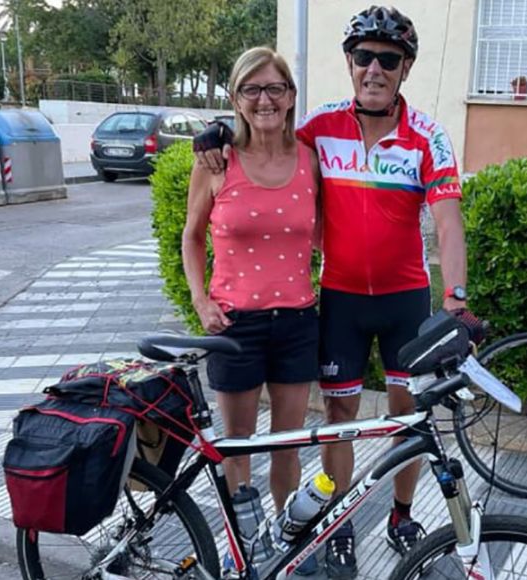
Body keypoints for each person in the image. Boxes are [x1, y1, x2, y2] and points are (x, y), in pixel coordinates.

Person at [193, 6, 471, 578]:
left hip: (405, 299)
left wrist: (457, 299)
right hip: (339, 298)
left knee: (405, 413)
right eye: (363, 56)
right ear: (349, 62)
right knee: (339, 415)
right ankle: (336, 523)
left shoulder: (428, 138)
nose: (374, 68)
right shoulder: (318, 129)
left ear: (405, 68)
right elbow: (259, 128)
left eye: (387, 60)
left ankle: (399, 514)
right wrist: (214, 133)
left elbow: (448, 221)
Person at [182, 46, 322, 575]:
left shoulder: (309, 158)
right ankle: (245, 545)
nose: (265, 100)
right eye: (251, 89)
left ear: (289, 97)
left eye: (275, 89)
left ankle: (289, 544)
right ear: (236, 99)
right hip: (234, 326)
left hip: (297, 322)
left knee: (287, 446)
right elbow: (191, 239)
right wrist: (201, 300)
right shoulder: (215, 161)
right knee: (236, 448)